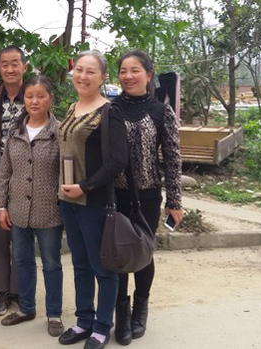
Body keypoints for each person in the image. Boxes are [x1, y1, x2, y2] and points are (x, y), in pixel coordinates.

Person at [111, 50, 183, 345]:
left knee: (142, 254)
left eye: (135, 70)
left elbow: (173, 158)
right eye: (123, 71)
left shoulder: (160, 110)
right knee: (116, 255)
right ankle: (121, 315)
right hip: (114, 195)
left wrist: (175, 201)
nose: (128, 76)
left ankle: (141, 308)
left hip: (149, 195)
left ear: (149, 75)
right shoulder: (110, 108)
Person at [57, 51, 129, 349]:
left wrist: (84, 186)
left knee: (103, 267)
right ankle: (84, 320)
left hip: (94, 203)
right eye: (79, 70)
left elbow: (117, 161)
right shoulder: (72, 107)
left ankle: (102, 326)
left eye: (91, 72)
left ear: (102, 78)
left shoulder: (109, 112)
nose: (83, 76)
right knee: (80, 264)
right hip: (68, 201)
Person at [0, 75, 64, 337]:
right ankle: (26, 307)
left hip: (49, 210)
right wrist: (1, 205)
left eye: (41, 96)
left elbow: (65, 173)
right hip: (17, 210)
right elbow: (5, 172)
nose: (35, 101)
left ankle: (54, 313)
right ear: (24, 99)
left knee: (51, 263)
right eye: (30, 96)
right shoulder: (15, 131)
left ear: (50, 99)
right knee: (22, 260)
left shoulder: (59, 132)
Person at [0, 46, 29, 315]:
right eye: (5, 64)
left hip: (27, 169)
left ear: (24, 66)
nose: (10, 69)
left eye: (15, 63)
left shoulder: (35, 94)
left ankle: (21, 288)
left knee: (22, 233)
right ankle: (2, 288)